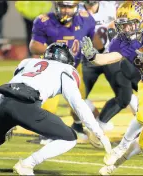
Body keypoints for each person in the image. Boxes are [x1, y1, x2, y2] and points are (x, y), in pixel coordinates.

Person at [80, 1, 143, 175]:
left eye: (130, 24)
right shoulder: (122, 41)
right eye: (123, 25)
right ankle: (122, 146)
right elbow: (108, 58)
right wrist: (93, 56)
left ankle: (115, 164)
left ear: (142, 20)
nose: (126, 29)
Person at [0, 43, 112, 175]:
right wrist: (98, 132)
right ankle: (27, 164)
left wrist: (4, 118)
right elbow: (77, 104)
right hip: (26, 105)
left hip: (4, 101)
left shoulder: (28, 62)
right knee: (69, 138)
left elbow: (12, 85)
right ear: (66, 59)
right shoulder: (65, 69)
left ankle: (24, 163)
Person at [28, 1, 104, 143]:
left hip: (73, 68)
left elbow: (95, 40)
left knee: (78, 103)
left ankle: (78, 126)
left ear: (76, 7)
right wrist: (53, 51)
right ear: (56, 6)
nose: (66, 10)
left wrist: (101, 49)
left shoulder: (86, 19)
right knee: (48, 105)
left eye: (70, 7)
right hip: (51, 69)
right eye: (63, 6)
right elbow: (34, 46)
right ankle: (47, 133)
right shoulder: (44, 21)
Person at [79, 1, 134, 131]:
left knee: (124, 95)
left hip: (110, 56)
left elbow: (124, 21)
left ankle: (101, 123)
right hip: (85, 57)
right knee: (76, 97)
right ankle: (80, 125)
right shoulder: (74, 9)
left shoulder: (110, 7)